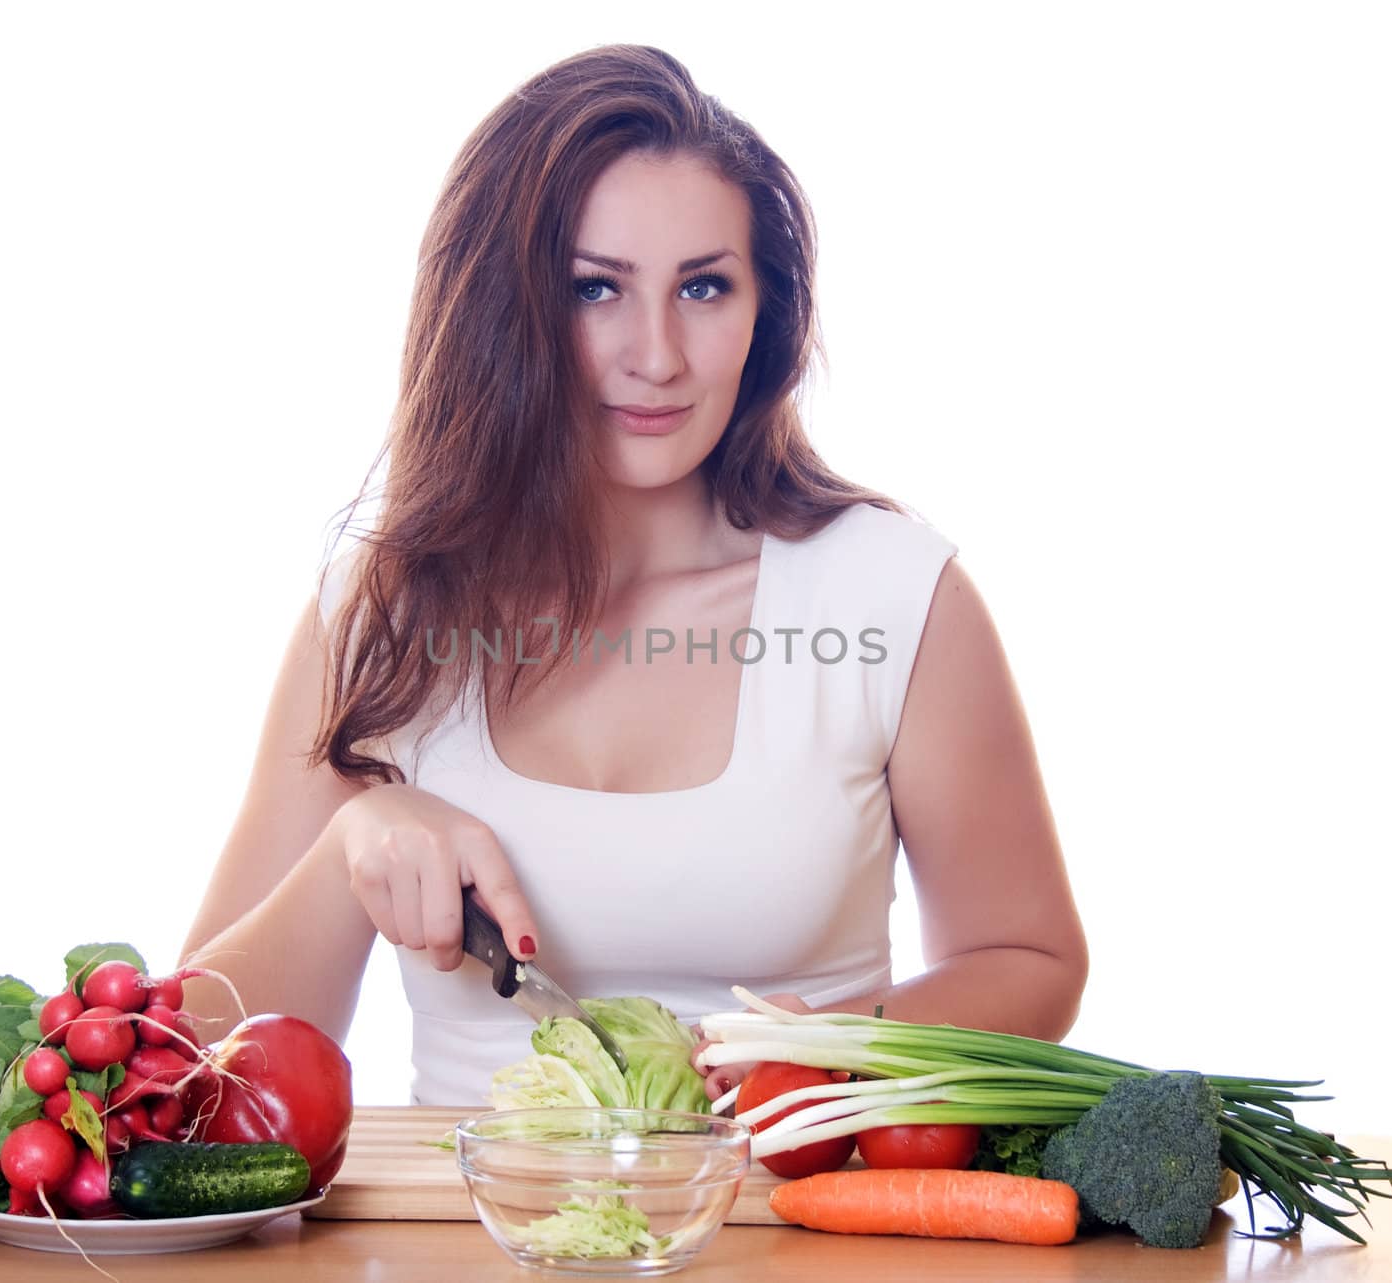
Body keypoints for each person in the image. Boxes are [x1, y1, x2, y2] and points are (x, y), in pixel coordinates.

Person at [177, 43, 1087, 1107]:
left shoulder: (891, 599)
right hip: (466, 1239)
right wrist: (349, 849)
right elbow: (194, 1057)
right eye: (593, 288)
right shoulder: (382, 612)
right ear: (499, 314)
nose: (656, 353)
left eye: (703, 286)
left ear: (766, 313)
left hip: (800, 1236)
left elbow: (1030, 958)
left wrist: (838, 1042)